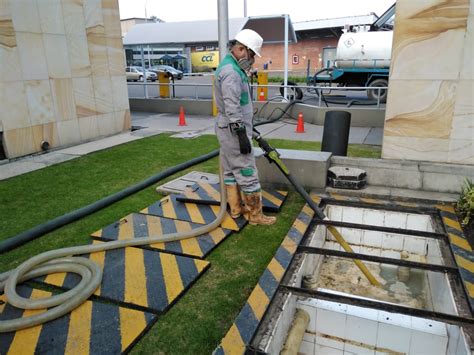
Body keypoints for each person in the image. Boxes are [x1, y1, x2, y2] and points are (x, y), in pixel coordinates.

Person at [214, 29, 276, 226]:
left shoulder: (231, 67)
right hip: (234, 131)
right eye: (251, 55)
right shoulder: (231, 72)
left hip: (228, 128)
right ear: (241, 49)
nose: (252, 60)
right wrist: (241, 134)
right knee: (247, 170)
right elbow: (232, 106)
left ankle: (236, 209)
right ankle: (255, 215)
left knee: (231, 170)